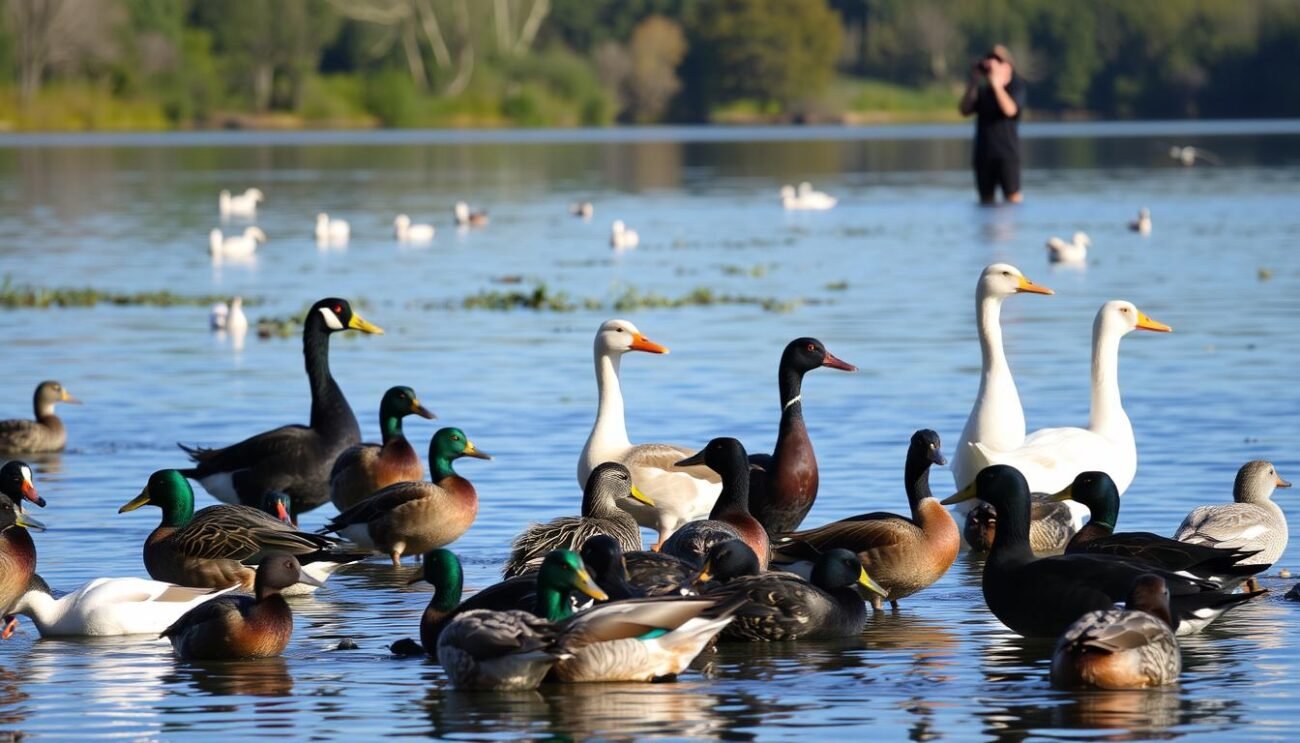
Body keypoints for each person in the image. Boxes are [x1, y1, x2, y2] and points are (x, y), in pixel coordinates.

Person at [959, 45, 1026, 205]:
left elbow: (1010, 110)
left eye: (998, 60)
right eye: (990, 59)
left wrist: (997, 86)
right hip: (983, 154)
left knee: (1013, 199)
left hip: (1007, 154)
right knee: (985, 201)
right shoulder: (982, 90)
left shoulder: (1016, 86)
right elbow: (964, 110)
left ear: (1008, 66)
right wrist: (973, 82)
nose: (992, 63)